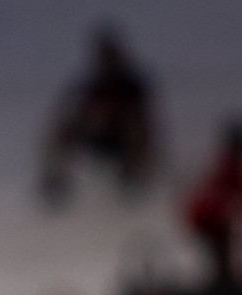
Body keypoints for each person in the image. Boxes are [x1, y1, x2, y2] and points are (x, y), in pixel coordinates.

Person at [39, 25, 156, 206]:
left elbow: (144, 119)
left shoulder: (132, 85)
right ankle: (56, 179)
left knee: (130, 123)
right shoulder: (93, 85)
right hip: (98, 136)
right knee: (63, 128)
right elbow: (78, 111)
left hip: (123, 142)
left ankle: (133, 176)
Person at [185, 120, 242, 290]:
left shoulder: (226, 163)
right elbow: (240, 193)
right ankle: (225, 286)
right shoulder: (230, 165)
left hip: (210, 217)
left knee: (223, 253)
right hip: (210, 218)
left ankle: (225, 283)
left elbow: (241, 195)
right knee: (222, 252)